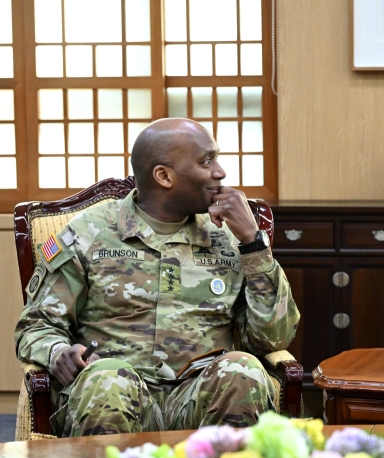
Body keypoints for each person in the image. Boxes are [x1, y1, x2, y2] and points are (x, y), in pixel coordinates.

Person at [15, 118, 300, 437]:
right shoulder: (88, 234)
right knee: (107, 379)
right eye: (206, 161)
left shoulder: (231, 238)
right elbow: (37, 325)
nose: (219, 172)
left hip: (199, 396)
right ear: (164, 176)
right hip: (116, 394)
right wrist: (56, 353)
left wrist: (252, 241)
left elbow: (273, 338)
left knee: (243, 370)